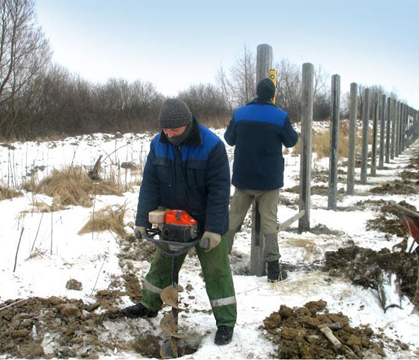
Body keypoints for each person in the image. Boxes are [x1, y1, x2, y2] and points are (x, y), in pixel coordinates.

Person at [121, 98, 237, 346]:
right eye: (165, 128)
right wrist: (142, 220)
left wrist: (214, 230)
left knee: (217, 272)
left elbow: (218, 191)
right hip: (173, 220)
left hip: (205, 222)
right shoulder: (158, 144)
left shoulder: (211, 146)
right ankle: (148, 305)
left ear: (188, 124)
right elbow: (150, 184)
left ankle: (226, 322)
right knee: (162, 265)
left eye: (175, 129)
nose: (169, 134)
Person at [224, 78, 298, 282]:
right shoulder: (280, 116)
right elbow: (291, 141)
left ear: (256, 92)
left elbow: (229, 139)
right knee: (269, 222)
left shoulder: (239, 114)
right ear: (272, 95)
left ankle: (220, 263)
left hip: (243, 178)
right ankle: (274, 270)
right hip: (269, 180)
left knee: (232, 219)